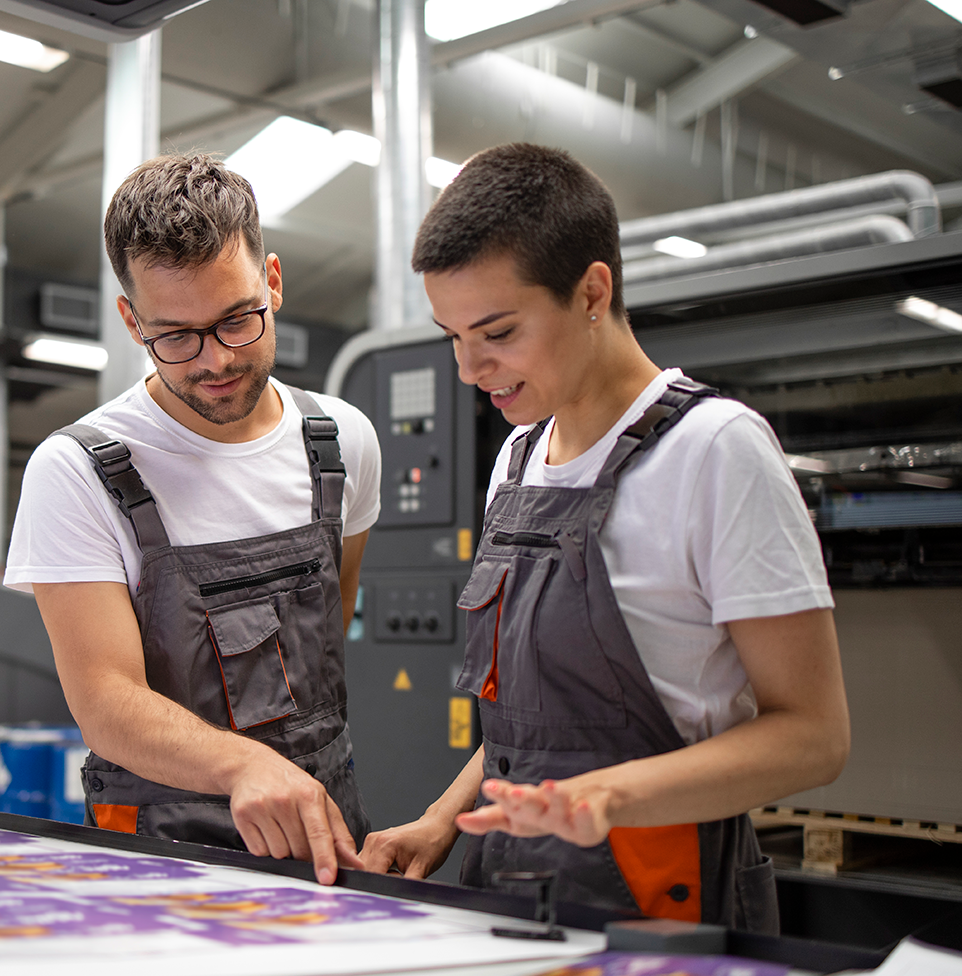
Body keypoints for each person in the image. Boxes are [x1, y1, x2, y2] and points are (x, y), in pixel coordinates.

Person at [359, 143, 850, 930]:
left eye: (497, 331)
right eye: (452, 335)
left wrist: (614, 797)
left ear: (592, 291)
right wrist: (443, 817)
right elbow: (539, 730)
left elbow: (814, 737)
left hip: (663, 909)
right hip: (510, 898)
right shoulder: (515, 464)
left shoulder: (715, 450)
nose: (468, 368)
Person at [5, 153, 380, 886]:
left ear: (271, 281)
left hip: (326, 833)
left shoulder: (339, 442)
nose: (214, 361)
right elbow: (106, 703)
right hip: (158, 850)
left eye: (237, 319)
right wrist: (244, 764)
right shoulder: (77, 469)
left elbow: (330, 632)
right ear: (131, 319)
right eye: (175, 336)